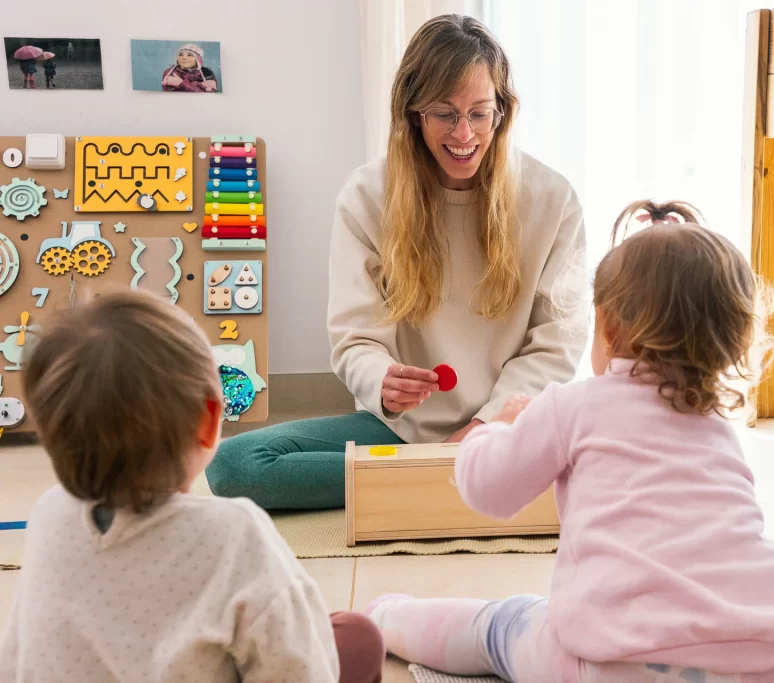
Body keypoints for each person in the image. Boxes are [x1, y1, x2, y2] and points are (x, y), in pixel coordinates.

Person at [363, 201, 774, 682]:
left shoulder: (572, 406)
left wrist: (498, 428)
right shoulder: (718, 428)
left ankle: (384, 617)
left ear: (605, 326)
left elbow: (487, 490)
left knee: (505, 622)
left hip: (615, 663)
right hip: (773, 660)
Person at [206, 15, 587, 510]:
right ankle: (443, 478)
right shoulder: (368, 195)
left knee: (602, 456)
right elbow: (354, 336)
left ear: (502, 112)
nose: (464, 133)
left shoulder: (552, 199)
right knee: (234, 465)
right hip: (396, 430)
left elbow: (556, 344)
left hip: (506, 427)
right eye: (445, 114)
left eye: (479, 113)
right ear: (414, 115)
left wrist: (482, 429)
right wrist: (381, 381)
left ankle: (416, 481)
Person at [0, 290, 384, 683]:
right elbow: (297, 671)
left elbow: (18, 660)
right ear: (207, 422)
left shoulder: (49, 514)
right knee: (357, 636)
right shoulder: (235, 533)